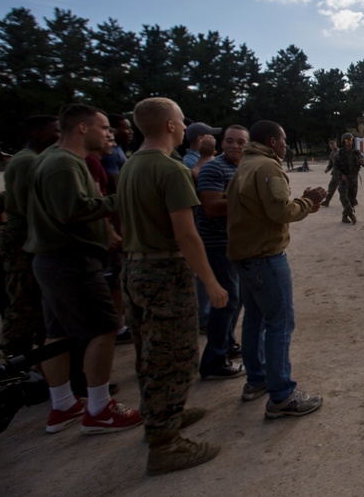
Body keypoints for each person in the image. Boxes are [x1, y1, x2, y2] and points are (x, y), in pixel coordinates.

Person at [117, 97, 229, 475]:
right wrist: (210, 282)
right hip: (164, 273)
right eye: (181, 122)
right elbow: (187, 234)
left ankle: (162, 418)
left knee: (149, 351)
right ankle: (166, 445)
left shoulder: (132, 164)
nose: (185, 128)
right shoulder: (169, 170)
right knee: (174, 355)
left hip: (134, 268)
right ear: (168, 126)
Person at [25, 104, 140, 434]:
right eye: (104, 128)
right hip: (70, 260)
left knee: (57, 332)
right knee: (104, 327)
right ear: (81, 128)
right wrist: (121, 198)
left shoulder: (53, 158)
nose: (110, 133)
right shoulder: (63, 163)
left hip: (53, 260)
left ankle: (62, 403)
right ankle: (100, 408)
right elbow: (73, 211)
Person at [226, 120, 326, 418]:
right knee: (280, 322)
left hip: (245, 254)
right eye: (283, 140)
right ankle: (281, 394)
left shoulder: (246, 164)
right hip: (265, 256)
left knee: (255, 319)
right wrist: (308, 201)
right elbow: (280, 211)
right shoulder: (267, 167)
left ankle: (257, 380)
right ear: (272, 141)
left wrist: (303, 202)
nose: (285, 145)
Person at [0, 115, 60, 356]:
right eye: (56, 130)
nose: (61, 135)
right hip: (22, 238)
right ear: (37, 133)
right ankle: (15, 361)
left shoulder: (30, 159)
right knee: (24, 302)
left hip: (26, 235)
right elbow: (29, 206)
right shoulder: (27, 162)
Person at [196, 124, 249, 380]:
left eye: (240, 142)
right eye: (229, 140)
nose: (234, 145)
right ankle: (214, 361)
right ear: (222, 143)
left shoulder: (240, 168)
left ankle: (226, 344)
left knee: (234, 298)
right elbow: (212, 207)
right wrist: (252, 201)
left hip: (234, 242)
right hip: (217, 243)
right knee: (226, 300)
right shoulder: (213, 167)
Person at [334, 132, 364, 225]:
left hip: (353, 178)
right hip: (343, 179)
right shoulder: (338, 154)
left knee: (352, 199)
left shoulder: (356, 153)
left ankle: (344, 217)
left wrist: (363, 162)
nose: (349, 142)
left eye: (350, 140)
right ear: (343, 141)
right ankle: (351, 215)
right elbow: (335, 168)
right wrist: (341, 175)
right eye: (347, 140)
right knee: (343, 197)